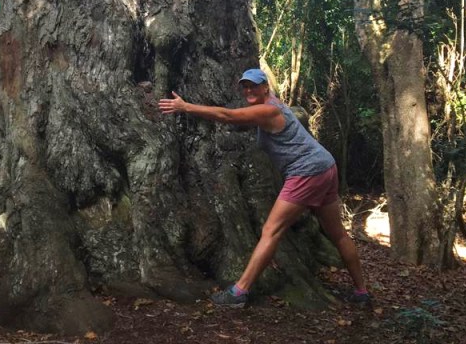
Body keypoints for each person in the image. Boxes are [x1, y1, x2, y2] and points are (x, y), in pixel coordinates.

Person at [158, 68, 369, 308]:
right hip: (325, 166)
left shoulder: (268, 109)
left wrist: (186, 107)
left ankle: (239, 292)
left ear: (265, 87)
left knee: (271, 230)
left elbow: (227, 115)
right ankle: (361, 291)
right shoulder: (272, 106)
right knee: (337, 233)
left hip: (306, 171)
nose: (248, 90)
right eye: (245, 86)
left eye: (254, 86)